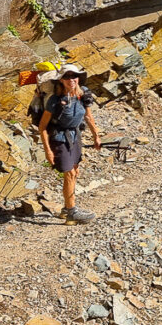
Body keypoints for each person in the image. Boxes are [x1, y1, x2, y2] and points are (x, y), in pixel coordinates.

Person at [38, 64, 101, 223]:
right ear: (61, 80)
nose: (71, 79)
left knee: (75, 172)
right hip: (58, 138)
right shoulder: (55, 100)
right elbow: (42, 127)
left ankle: (67, 209)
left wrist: (96, 136)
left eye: (74, 76)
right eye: (67, 77)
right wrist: (48, 150)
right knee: (70, 174)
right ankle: (72, 212)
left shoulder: (83, 95)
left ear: (78, 78)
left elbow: (88, 117)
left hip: (75, 136)